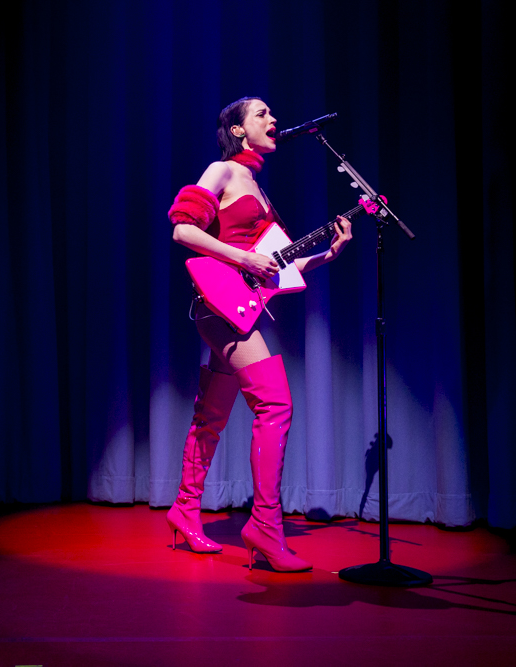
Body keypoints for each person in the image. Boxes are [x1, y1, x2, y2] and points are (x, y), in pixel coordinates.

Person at [166, 97, 352, 572]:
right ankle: (265, 529)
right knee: (275, 403)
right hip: (221, 304)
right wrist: (245, 259)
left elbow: (276, 266)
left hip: (239, 301)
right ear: (239, 129)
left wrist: (329, 253)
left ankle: (185, 511)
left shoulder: (259, 189)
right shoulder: (222, 171)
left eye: (273, 113)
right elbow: (184, 231)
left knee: (212, 414)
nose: (274, 120)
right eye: (262, 114)